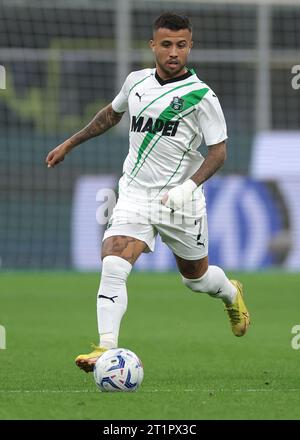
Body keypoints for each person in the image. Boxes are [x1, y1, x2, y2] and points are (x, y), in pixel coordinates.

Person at [46, 12, 250, 373]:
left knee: (196, 278)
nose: (174, 52)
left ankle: (231, 293)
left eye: (181, 45)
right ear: (153, 45)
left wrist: (189, 187)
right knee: (113, 262)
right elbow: (111, 114)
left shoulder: (201, 96)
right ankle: (106, 349)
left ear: (190, 46)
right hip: (135, 196)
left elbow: (219, 151)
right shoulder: (136, 82)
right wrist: (70, 143)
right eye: (167, 44)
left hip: (179, 202)